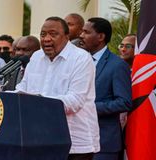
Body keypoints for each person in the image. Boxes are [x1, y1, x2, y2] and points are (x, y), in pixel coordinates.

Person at [16, 16, 100, 160]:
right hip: (40, 140)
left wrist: (38, 101)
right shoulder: (36, 57)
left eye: (53, 34)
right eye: (43, 34)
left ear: (67, 37)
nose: (46, 39)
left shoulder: (81, 58)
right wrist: (4, 97)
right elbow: (23, 89)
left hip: (74, 144)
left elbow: (75, 101)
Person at [79, 17, 132, 160]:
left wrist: (91, 108)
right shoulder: (78, 62)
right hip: (77, 141)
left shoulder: (117, 65)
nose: (81, 35)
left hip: (104, 144)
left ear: (101, 37)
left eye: (86, 32)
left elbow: (124, 102)